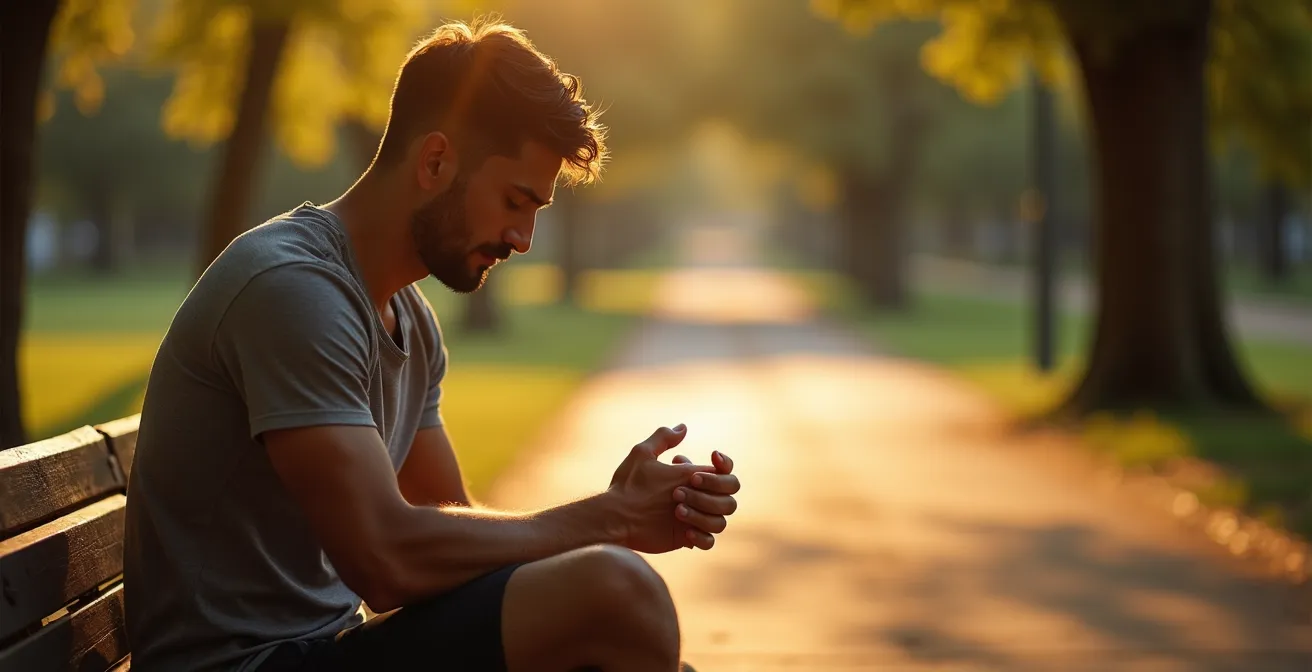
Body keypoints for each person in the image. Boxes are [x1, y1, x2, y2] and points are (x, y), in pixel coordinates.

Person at [122, 17, 740, 672]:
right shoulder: (293, 290)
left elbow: (451, 530)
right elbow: (386, 560)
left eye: (536, 211)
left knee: (620, 625)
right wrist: (605, 523)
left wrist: (611, 519)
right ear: (436, 160)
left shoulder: (410, 323)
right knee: (617, 592)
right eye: (514, 200)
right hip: (245, 666)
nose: (524, 238)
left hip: (319, 650)